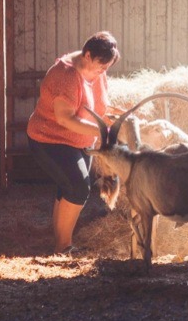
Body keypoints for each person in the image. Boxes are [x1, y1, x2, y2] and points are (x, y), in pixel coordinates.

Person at [26, 31, 120, 254]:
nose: (103, 71)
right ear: (87, 55)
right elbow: (64, 118)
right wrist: (104, 133)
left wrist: (122, 118)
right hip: (49, 139)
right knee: (78, 187)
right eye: (101, 66)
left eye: (107, 67)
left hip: (79, 141)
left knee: (68, 187)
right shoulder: (65, 76)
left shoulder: (97, 71)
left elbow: (101, 107)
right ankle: (64, 246)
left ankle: (60, 244)